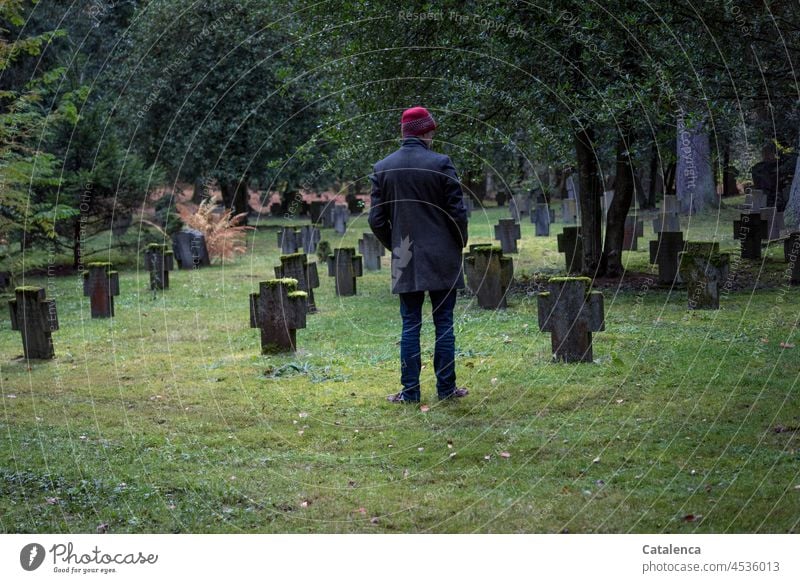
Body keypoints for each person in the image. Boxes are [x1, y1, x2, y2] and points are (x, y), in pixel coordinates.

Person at [368, 106, 469, 403]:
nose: (434, 135)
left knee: (410, 323)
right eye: (432, 130)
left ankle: (410, 392)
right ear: (425, 131)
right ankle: (446, 389)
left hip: (405, 255)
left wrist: (397, 247)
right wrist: (459, 242)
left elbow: (376, 221)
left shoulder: (382, 167)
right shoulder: (441, 163)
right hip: (443, 254)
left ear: (404, 133)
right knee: (444, 322)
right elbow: (457, 212)